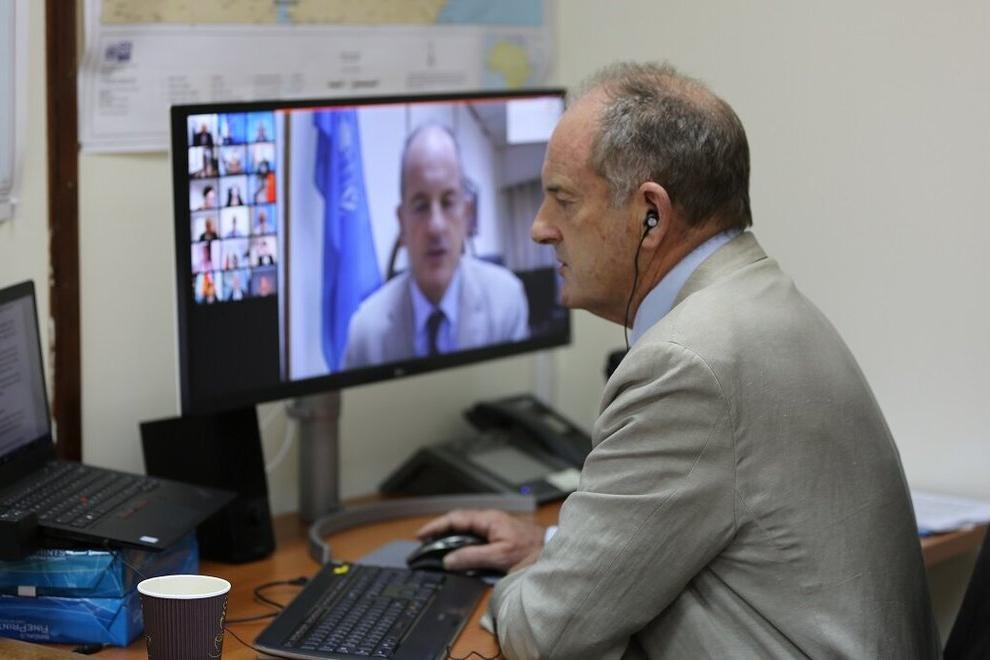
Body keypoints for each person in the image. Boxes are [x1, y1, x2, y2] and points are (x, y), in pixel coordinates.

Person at [416, 63, 938, 659]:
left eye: (562, 200)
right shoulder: (761, 302)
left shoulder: (685, 364)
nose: (540, 228)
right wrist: (560, 548)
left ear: (651, 216)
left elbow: (546, 634)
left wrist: (519, 585)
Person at [342, 124, 529, 369]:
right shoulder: (364, 332)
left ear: (467, 213)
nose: (435, 226)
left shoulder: (506, 302)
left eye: (448, 202)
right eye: (420, 206)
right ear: (402, 222)